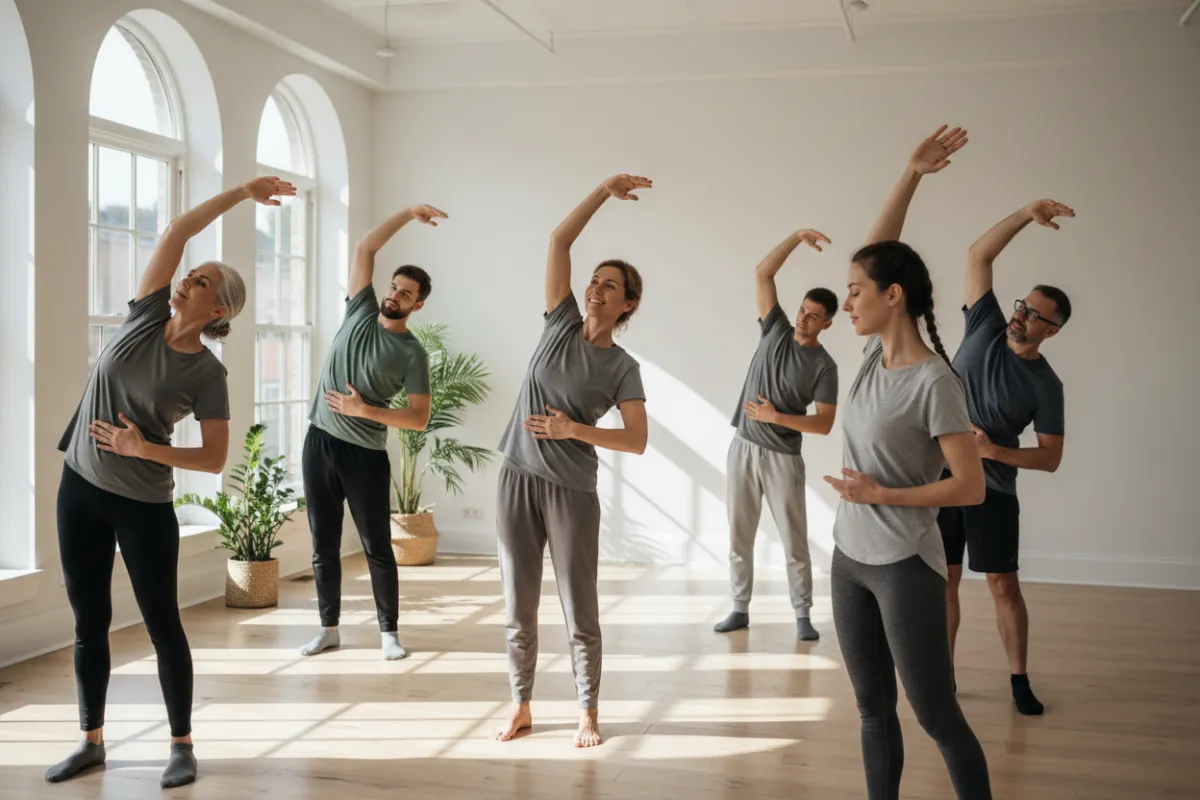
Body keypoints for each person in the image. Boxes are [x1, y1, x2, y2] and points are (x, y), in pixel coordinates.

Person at [47, 177, 293, 788]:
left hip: (142, 505)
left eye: (202, 281)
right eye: (191, 274)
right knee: (88, 620)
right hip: (79, 487)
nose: (187, 279)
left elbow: (213, 459)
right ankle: (90, 740)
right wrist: (242, 191)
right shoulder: (148, 309)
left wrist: (142, 446)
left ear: (220, 311)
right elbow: (176, 232)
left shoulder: (208, 373)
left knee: (162, 623)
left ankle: (182, 744)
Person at [823, 126, 993, 800]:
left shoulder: (935, 382)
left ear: (893, 296)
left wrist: (883, 496)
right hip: (847, 559)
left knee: (937, 715)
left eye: (857, 291)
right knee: (870, 710)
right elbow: (878, 252)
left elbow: (971, 488)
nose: (848, 301)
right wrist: (911, 175)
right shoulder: (871, 357)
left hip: (904, 569)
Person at [492, 174, 651, 749]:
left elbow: (636, 440)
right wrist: (604, 192)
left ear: (627, 302)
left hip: (570, 491)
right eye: (594, 281)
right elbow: (560, 240)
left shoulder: (622, 367)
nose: (596, 290)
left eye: (610, 286)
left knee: (578, 609)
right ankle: (522, 704)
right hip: (516, 475)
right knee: (518, 605)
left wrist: (573, 429)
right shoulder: (558, 322)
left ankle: (588, 710)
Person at [939, 198, 1073, 716]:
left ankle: (1019, 680)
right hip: (938, 477)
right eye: (1022, 305)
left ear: (1051, 330)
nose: (1021, 315)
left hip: (990, 487)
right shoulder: (985, 326)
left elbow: (1050, 458)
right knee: (943, 580)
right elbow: (977, 256)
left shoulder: (1048, 385)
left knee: (1001, 585)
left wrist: (994, 450)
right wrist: (1024, 215)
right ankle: (943, 675)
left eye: (1034, 315)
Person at [298, 205, 443, 661]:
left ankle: (388, 635)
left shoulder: (412, 353)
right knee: (322, 544)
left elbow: (418, 417)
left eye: (407, 294)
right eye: (395, 287)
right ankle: (328, 629)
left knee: (376, 545)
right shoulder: (359, 310)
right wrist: (408, 213)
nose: (396, 295)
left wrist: (367, 409)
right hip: (318, 442)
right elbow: (366, 246)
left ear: (418, 305)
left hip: (364, 455)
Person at [714, 229, 840, 641]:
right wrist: (796, 238)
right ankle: (739, 608)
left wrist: (776, 417)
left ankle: (803, 615)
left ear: (827, 323)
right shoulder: (775, 330)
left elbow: (823, 423)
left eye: (812, 315)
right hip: (743, 449)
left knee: (793, 540)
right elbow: (764, 273)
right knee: (738, 534)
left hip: (784, 458)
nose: (803, 318)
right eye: (802, 309)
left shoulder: (824, 366)